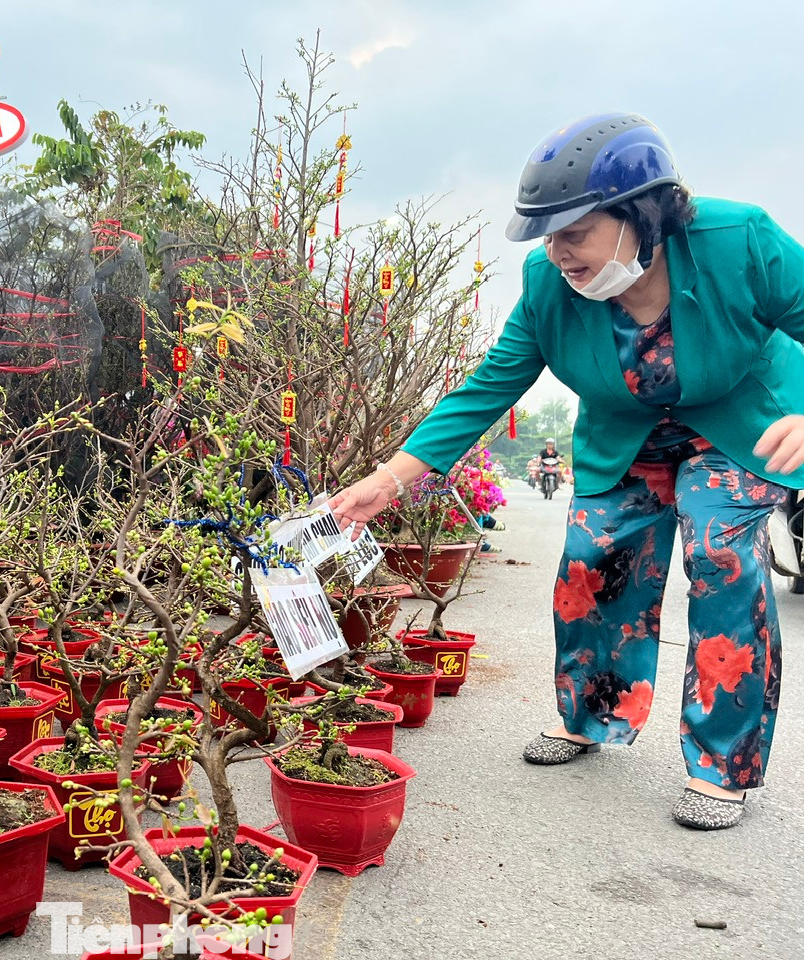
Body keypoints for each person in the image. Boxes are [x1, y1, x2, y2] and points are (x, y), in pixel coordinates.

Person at [330, 112, 804, 830]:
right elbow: (486, 390)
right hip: (627, 434)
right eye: (546, 235)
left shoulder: (739, 241)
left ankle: (721, 765)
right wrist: (387, 479)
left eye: (573, 231)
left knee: (720, 555)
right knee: (591, 563)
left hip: (738, 423)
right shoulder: (549, 286)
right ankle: (592, 717)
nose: (557, 252)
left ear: (638, 215)